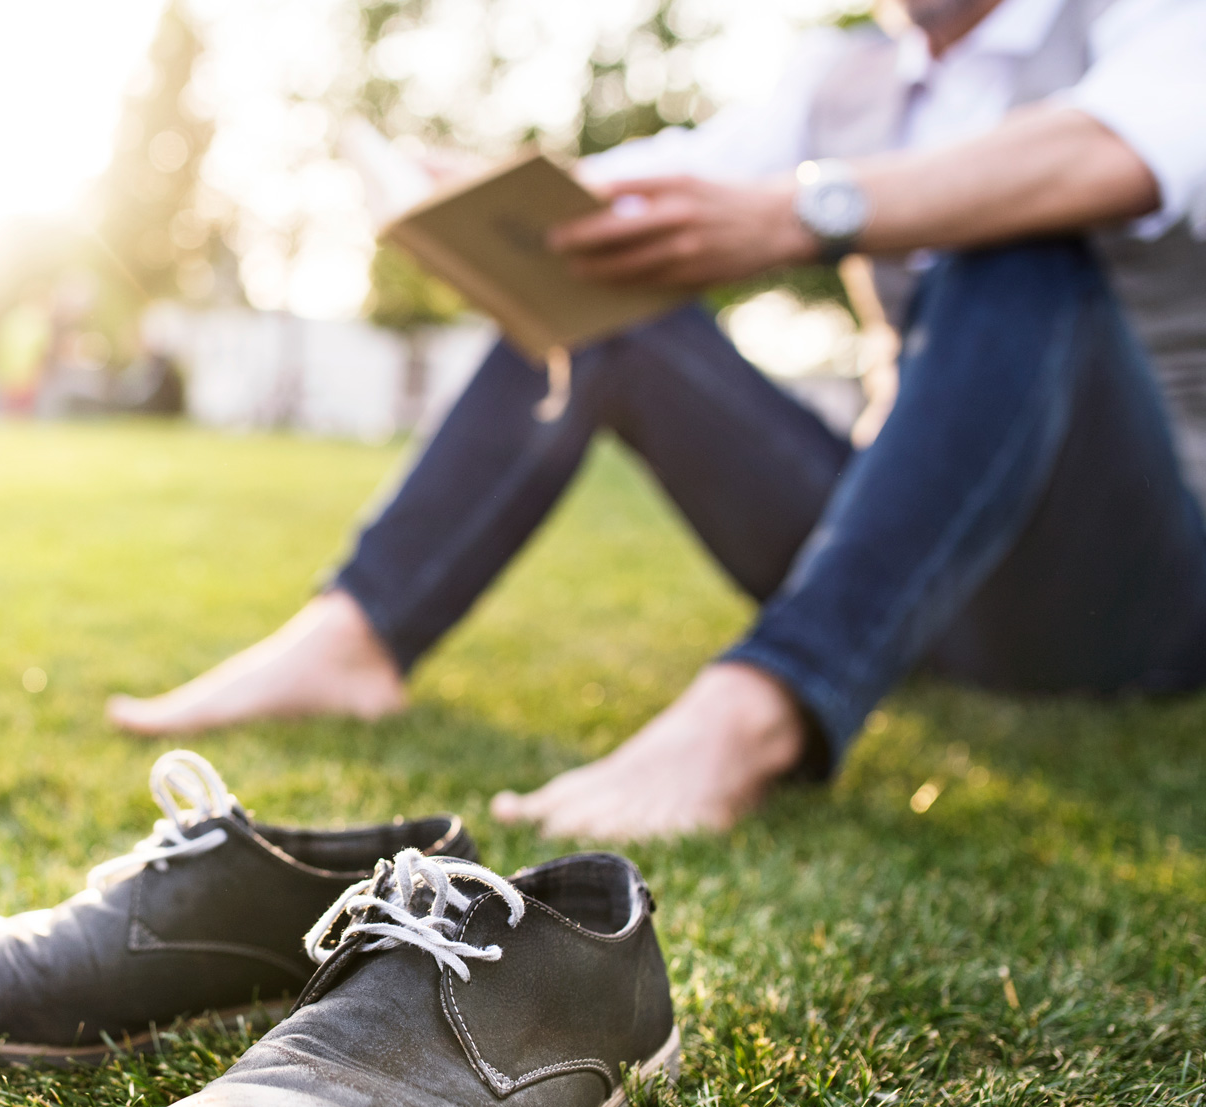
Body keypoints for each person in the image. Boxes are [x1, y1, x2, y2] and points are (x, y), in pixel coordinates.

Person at [107, 0, 1206, 840]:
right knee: (608, 303)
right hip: (917, 586)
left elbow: (1110, 151)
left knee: (1015, 230)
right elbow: (655, 187)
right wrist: (483, 198)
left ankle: (762, 707)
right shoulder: (843, 76)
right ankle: (353, 636)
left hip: (1129, 580)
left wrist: (798, 213)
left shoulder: (1148, 20)